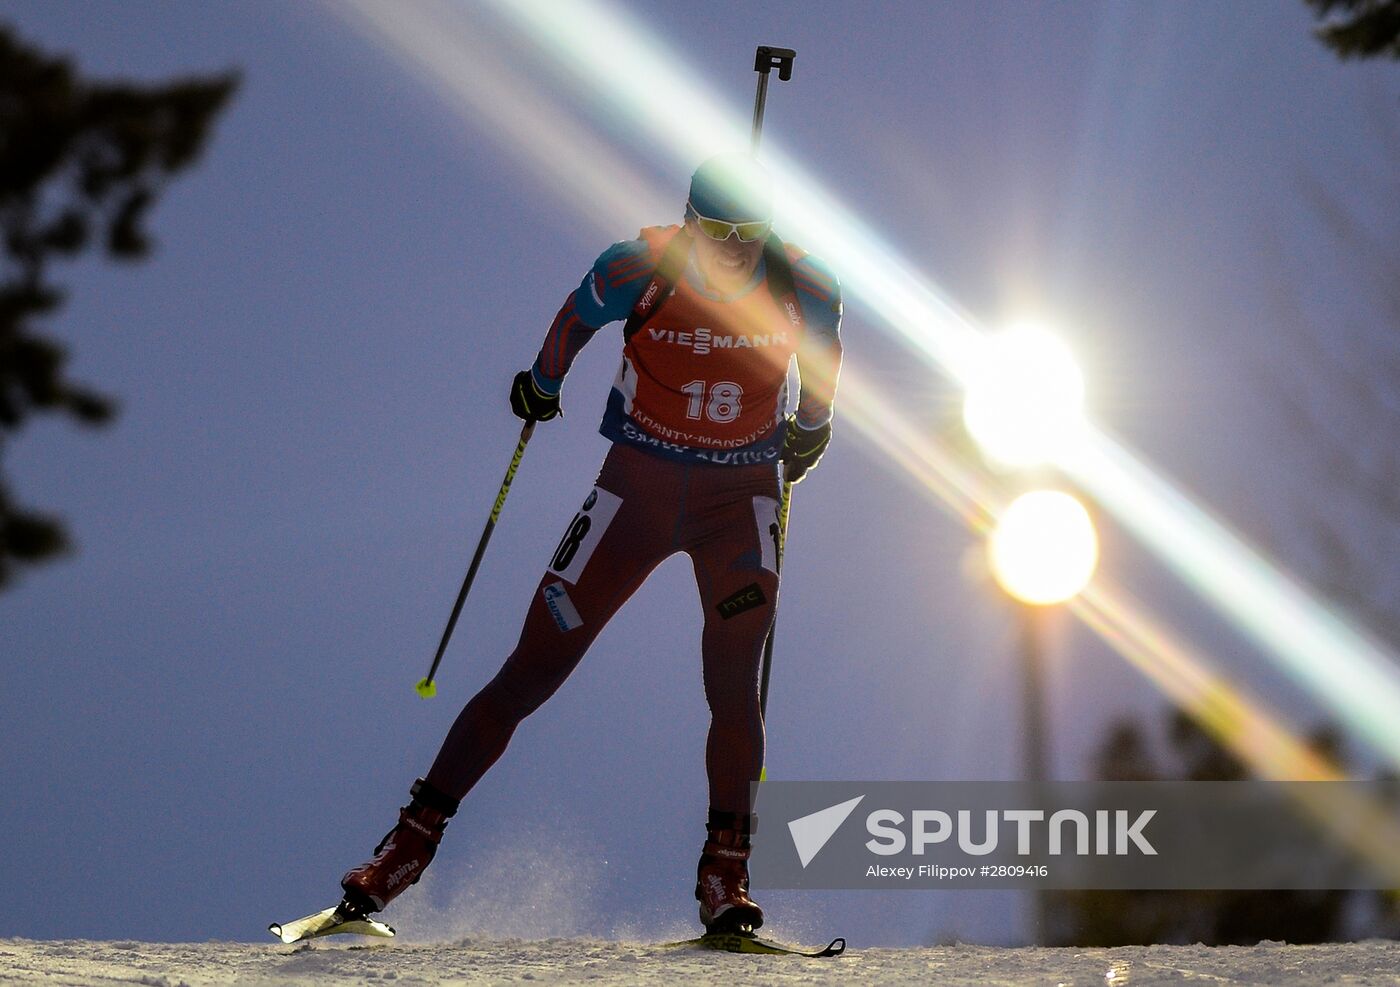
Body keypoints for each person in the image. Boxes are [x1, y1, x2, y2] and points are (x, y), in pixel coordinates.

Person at [338, 153, 843, 934]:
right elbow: (575, 318)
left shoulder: (802, 284)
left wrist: (812, 427)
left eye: (752, 232)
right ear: (690, 222)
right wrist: (542, 384)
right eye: (719, 231)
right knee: (532, 668)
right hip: (635, 493)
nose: (737, 247)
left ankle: (725, 874)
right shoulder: (639, 267)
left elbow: (826, 354)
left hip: (734, 502)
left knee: (734, 675)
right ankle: (406, 846)